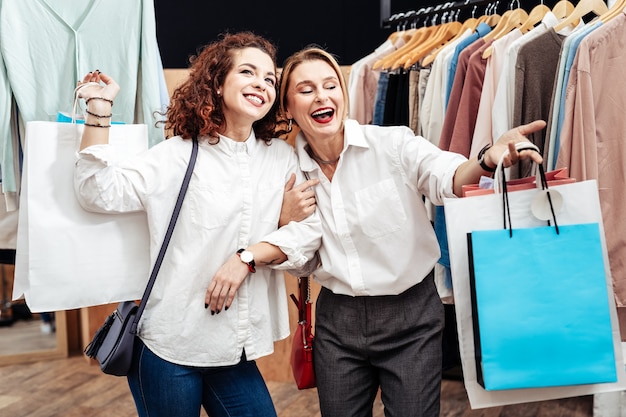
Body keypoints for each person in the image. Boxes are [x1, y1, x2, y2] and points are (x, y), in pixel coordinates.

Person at [278, 46, 546, 417]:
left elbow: (447, 177)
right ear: (287, 107)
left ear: (343, 93)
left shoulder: (392, 145)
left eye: (330, 85)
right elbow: (302, 265)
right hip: (337, 324)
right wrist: (286, 221)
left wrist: (484, 160)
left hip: (411, 319)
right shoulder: (288, 173)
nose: (322, 96)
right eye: (306, 90)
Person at [73, 32, 321, 417]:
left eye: (270, 78)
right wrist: (99, 108)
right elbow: (96, 191)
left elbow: (305, 243)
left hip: (235, 349)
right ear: (218, 83)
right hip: (168, 345)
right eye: (248, 72)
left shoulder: (280, 161)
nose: (262, 83)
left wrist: (252, 253)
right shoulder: (177, 155)